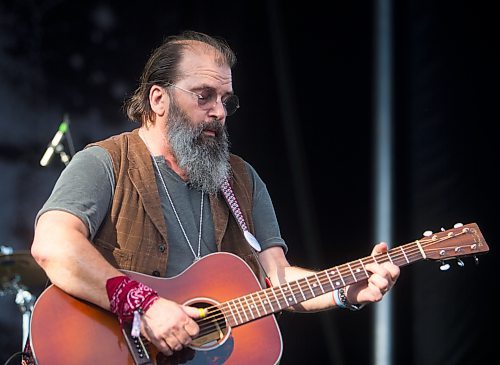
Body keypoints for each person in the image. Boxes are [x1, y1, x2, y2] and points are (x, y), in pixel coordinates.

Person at [29, 30, 400, 363]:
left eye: (226, 101)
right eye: (204, 96)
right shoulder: (105, 161)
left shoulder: (241, 180)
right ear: (158, 99)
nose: (219, 112)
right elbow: (53, 245)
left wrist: (344, 290)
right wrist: (145, 305)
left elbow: (277, 279)